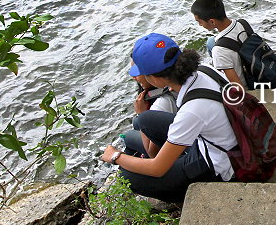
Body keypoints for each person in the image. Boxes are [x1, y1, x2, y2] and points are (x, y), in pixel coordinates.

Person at [100, 33, 238, 203]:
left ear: (155, 78)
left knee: (126, 176)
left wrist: (115, 156)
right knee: (145, 120)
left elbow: (157, 168)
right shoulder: (204, 70)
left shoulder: (192, 110)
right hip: (219, 139)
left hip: (218, 165)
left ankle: (184, 192)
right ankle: (173, 163)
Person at [191, 0, 248, 88]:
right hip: (248, 65)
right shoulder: (242, 23)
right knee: (211, 42)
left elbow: (238, 88)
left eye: (199, 21)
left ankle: (221, 66)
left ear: (212, 21)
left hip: (244, 82)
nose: (200, 25)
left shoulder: (219, 51)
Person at [122, 62, 178, 157]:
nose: (133, 77)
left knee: (128, 136)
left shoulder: (163, 102)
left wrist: (142, 115)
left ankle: (134, 161)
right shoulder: (174, 84)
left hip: (173, 151)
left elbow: (152, 153)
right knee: (136, 122)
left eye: (137, 73)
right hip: (178, 135)